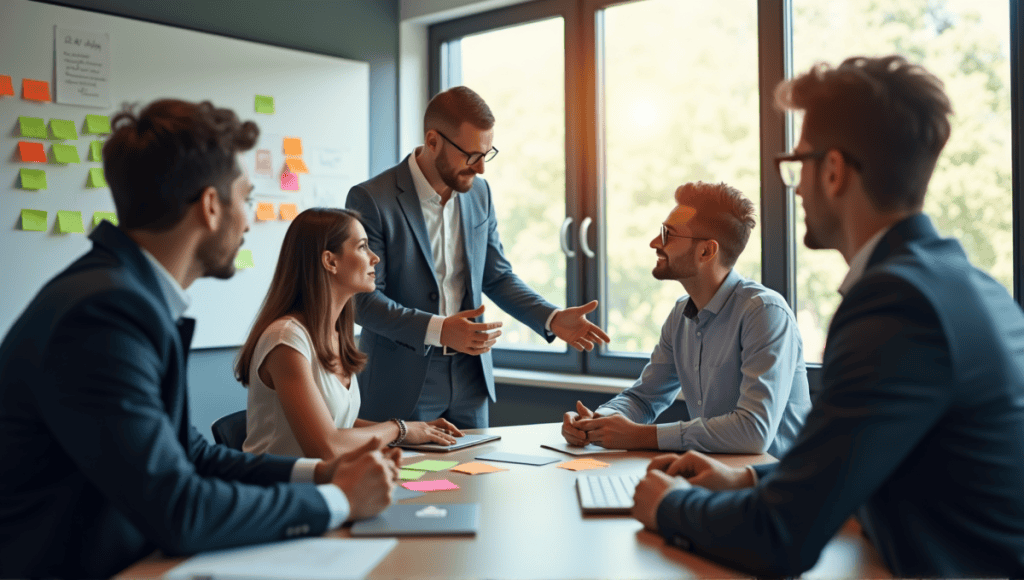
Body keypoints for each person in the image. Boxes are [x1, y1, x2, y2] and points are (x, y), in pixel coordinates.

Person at [631, 55, 1024, 577]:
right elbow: (863, 467)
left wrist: (666, 506)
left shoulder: (895, 305)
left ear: (834, 171)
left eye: (797, 167)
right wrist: (749, 480)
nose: (794, 189)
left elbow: (781, 536)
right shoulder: (965, 284)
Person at [0, 100, 399, 579]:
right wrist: (336, 500)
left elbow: (194, 455)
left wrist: (321, 473)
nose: (250, 221)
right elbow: (178, 510)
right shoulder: (105, 313)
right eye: (246, 199)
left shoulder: (124, 294)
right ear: (212, 206)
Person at [346, 85, 610, 429]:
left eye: (487, 153)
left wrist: (551, 318)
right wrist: (440, 331)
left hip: (471, 378)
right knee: (411, 482)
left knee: (476, 478)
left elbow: (496, 276)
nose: (482, 168)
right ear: (433, 141)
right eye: (471, 155)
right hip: (402, 382)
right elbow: (362, 302)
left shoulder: (478, 194)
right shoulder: (372, 199)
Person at [562, 182, 810, 457]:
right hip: (713, 477)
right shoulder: (681, 315)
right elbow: (644, 399)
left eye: (667, 234)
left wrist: (639, 435)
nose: (655, 243)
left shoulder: (764, 313)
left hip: (774, 488)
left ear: (706, 251)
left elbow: (753, 432)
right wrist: (597, 422)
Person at [236, 207, 465, 459]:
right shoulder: (286, 339)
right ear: (330, 261)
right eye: (362, 247)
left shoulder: (334, 333)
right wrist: (397, 429)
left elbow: (337, 425)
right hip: (282, 492)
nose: (374, 257)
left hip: (327, 484)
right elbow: (327, 446)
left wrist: (410, 430)